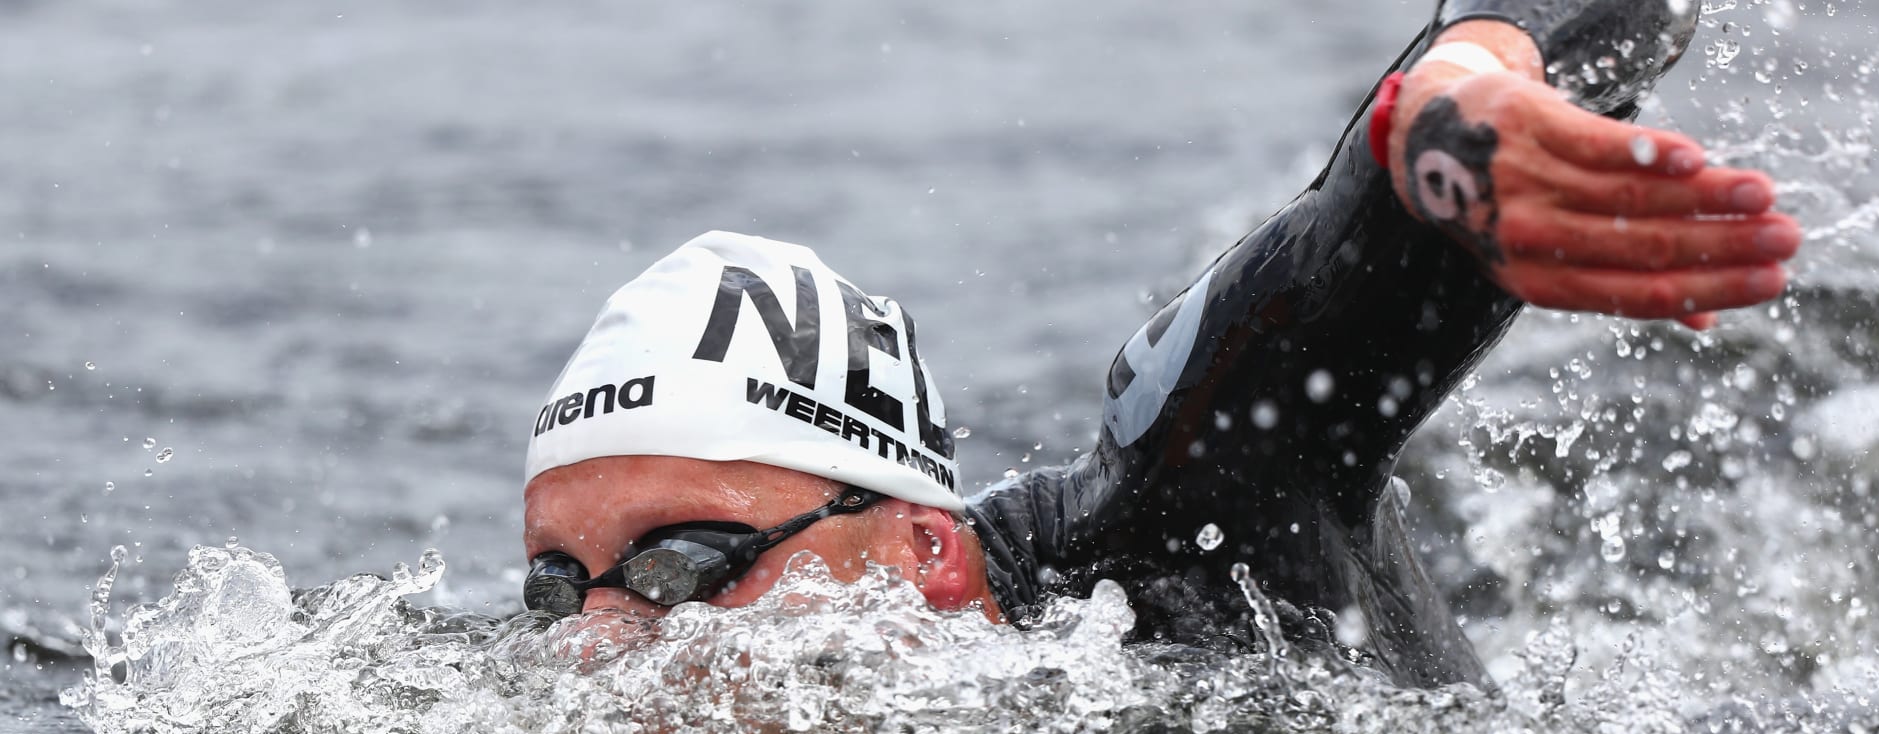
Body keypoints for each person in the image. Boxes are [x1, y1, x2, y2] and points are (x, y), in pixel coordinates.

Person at [521, 0, 1801, 689]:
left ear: (925, 551)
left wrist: (1463, 85)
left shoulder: (1187, 508)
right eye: (557, 587)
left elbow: (1332, 256)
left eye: (685, 569)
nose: (597, 646)